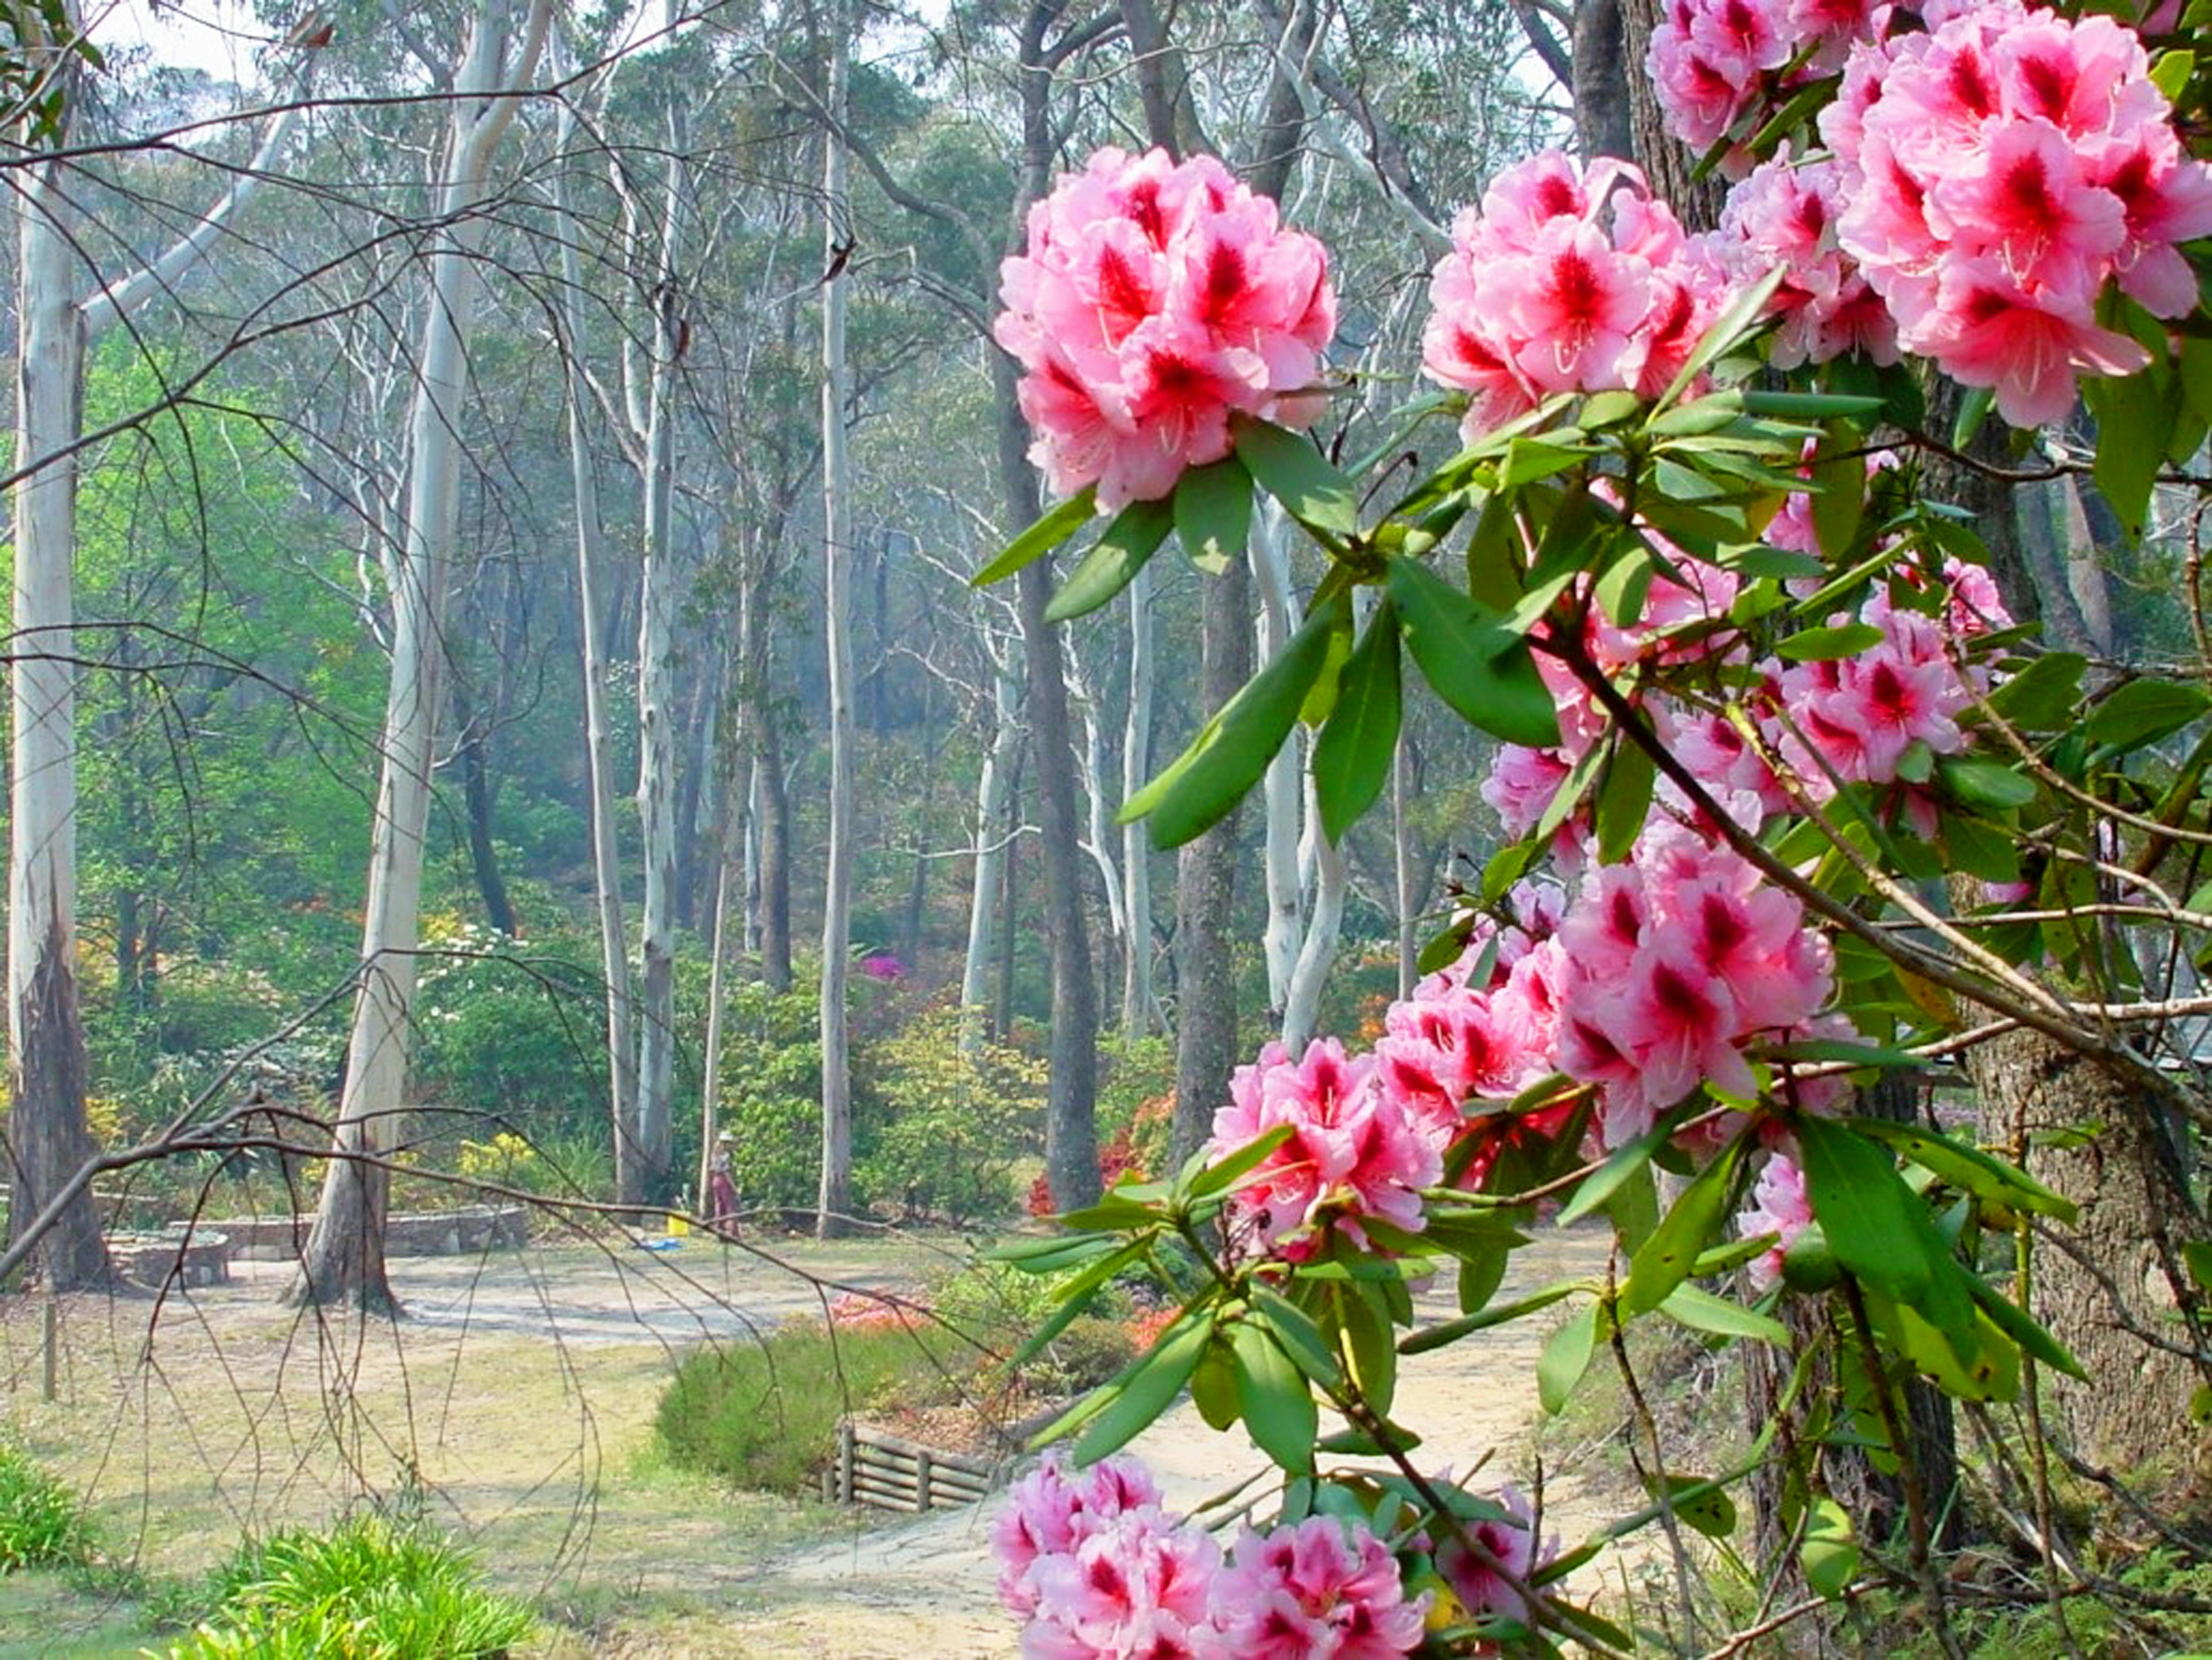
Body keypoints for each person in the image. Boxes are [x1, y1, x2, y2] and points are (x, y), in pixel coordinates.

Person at [707, 1132, 741, 1236]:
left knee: (719, 1206)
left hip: (715, 1180)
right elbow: (727, 1172)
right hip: (723, 1181)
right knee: (730, 1206)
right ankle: (732, 1232)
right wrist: (734, 1187)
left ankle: (719, 1230)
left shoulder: (714, 1154)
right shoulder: (726, 1156)